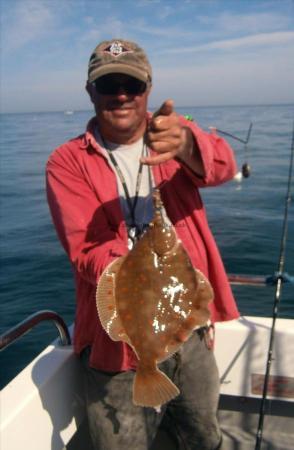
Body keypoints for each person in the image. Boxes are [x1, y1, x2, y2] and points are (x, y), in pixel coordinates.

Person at [46, 39, 240, 450]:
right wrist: (141, 268)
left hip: (188, 327)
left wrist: (189, 145)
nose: (120, 95)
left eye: (131, 85)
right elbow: (85, 249)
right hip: (116, 341)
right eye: (108, 84)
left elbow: (224, 166)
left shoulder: (173, 137)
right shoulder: (67, 161)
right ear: (89, 92)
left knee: (203, 435)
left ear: (148, 89)